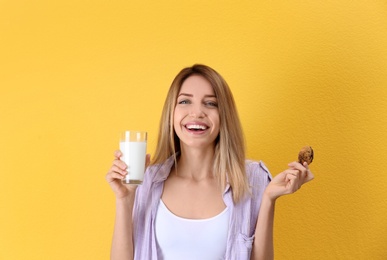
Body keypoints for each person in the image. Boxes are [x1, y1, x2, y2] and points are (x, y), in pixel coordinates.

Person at [106, 64, 314, 260]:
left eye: (211, 103)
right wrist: (124, 199)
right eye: (185, 101)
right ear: (171, 113)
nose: (197, 113)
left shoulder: (253, 178)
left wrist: (269, 198)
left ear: (224, 116)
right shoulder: (146, 180)